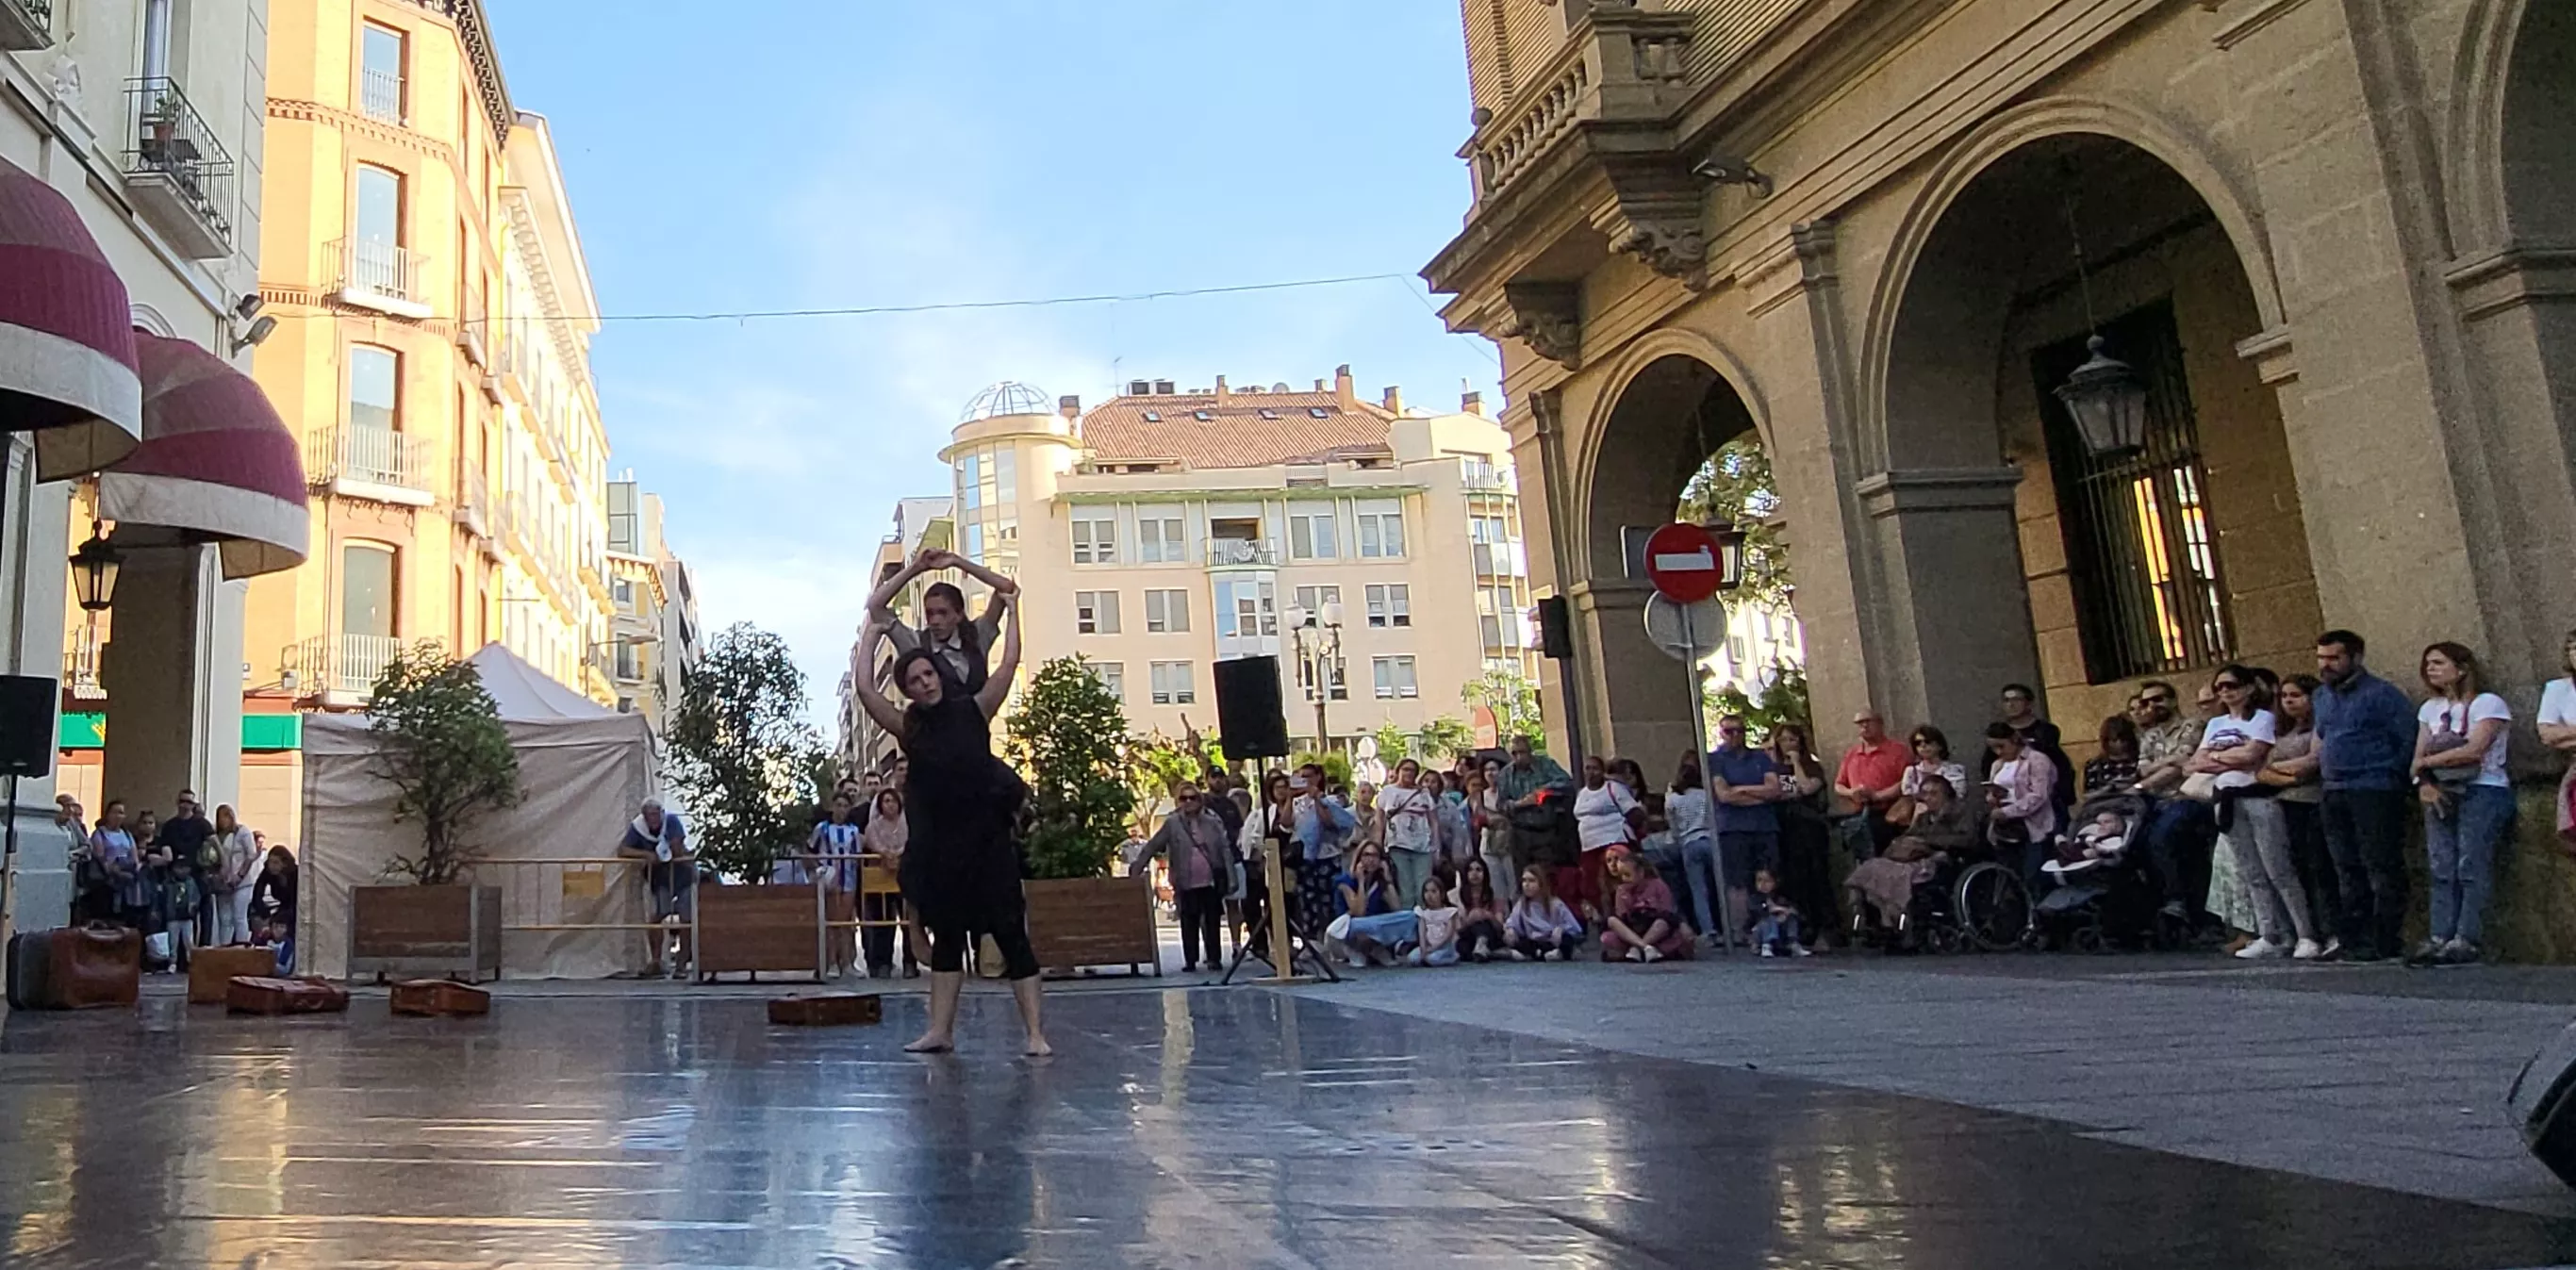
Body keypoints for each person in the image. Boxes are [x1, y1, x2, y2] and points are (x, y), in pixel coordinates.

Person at [852, 586, 1049, 1057]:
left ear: (938, 673)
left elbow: (1007, 665)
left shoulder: (974, 709)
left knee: (1009, 934)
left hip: (987, 842)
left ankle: (1035, 1034)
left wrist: (1015, 610)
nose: (924, 683)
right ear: (908, 691)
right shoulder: (910, 726)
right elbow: (864, 689)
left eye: (927, 674)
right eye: (914, 681)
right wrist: (870, 637)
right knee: (948, 941)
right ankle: (940, 1030)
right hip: (942, 846)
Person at [2312, 630, 2419, 962]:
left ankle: (2385, 938)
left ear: (2355, 658)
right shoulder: (2323, 697)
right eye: (2321, 658)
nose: (2326, 665)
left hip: (2374, 788)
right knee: (2346, 867)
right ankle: (2352, 937)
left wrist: (2390, 773)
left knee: (2380, 865)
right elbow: (2323, 737)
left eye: (2334, 658)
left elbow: (2407, 739)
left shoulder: (2383, 695)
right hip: (2334, 790)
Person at [2407, 641, 2515, 966]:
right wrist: (2424, 782)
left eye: (2439, 663)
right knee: (2442, 865)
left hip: (2483, 788)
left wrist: (2429, 761)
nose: (2431, 669)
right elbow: (2416, 758)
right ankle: (2441, 934)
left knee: (2471, 864)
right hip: (2439, 790)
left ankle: (2467, 938)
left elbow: (2474, 750)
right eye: (2428, 664)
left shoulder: (2487, 704)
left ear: (2462, 667)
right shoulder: (2430, 709)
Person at [2188, 666, 2287, 956]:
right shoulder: (2215, 724)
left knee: (2278, 870)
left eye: (2231, 685)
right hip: (2225, 797)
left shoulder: (2263, 718)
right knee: (2249, 870)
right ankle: (2268, 934)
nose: (2225, 692)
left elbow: (2253, 755)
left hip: (2256, 795)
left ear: (2248, 688)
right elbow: (2196, 762)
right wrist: (2228, 758)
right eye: (2219, 687)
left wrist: (2217, 758)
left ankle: (2296, 933)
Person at [2249, 673, 2332, 959]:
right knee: (2292, 869)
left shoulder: (2319, 728)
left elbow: (2311, 764)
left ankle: (2329, 931)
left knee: (2319, 868)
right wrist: (2285, 775)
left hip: (2311, 803)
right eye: (2284, 696)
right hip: (2283, 804)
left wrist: (2282, 771)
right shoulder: (2282, 732)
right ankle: (2302, 931)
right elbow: (2261, 770)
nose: (2289, 702)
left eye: (2296, 695)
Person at [866, 547, 1016, 694]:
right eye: (930, 613)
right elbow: (875, 606)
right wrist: (916, 568)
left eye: (943, 613)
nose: (935, 621)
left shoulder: (977, 635)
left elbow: (1006, 587)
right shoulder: (916, 644)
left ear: (959, 615)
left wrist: (957, 561)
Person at [1847, 775, 1977, 937]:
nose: (1928, 798)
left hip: (1944, 858)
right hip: (1914, 858)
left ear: (1947, 795)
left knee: (1899, 874)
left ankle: (1898, 923)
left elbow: (1967, 839)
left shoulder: (1961, 812)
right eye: (1925, 794)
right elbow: (1909, 836)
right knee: (1871, 868)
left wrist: (1927, 842)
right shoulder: (1923, 818)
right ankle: (1879, 919)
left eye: (1934, 794)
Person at [1146, 782, 1238, 972]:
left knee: (1212, 920)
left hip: (1210, 879)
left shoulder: (1213, 822)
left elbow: (1225, 849)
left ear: (1200, 800)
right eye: (1184, 798)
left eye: (1193, 798)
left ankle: (1214, 958)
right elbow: (1154, 844)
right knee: (1189, 921)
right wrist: (1138, 865)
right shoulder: (1172, 823)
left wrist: (1232, 877)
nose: (1188, 802)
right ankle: (1190, 960)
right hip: (1185, 880)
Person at [1708, 714, 1782, 943]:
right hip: (1732, 828)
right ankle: (1739, 930)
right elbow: (1724, 795)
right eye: (1729, 731)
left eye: (1740, 730)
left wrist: (1741, 790)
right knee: (1737, 880)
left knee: (1769, 877)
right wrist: (1758, 794)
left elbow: (1774, 789)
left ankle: (1770, 926)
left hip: (1764, 826)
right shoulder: (1714, 759)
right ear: (1721, 733)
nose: (1735, 736)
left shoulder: (1760, 756)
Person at [1768, 722, 1838, 946]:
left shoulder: (1811, 765)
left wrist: (1797, 762)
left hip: (1808, 827)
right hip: (1784, 828)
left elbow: (1807, 787)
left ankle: (1826, 926)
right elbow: (1771, 793)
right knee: (1792, 879)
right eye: (1783, 740)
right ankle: (1799, 926)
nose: (1788, 744)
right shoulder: (1772, 768)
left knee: (1816, 877)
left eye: (1792, 739)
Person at [616, 800, 696, 979]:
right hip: (660, 880)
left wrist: (676, 848)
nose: (653, 818)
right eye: (649, 815)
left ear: (661, 812)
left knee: (686, 920)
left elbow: (678, 848)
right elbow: (622, 850)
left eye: (656, 814)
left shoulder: (672, 821)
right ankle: (657, 961)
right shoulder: (638, 827)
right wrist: (646, 854)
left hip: (683, 877)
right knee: (657, 917)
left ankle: (681, 965)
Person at [1568, 753, 1642, 922]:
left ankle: (1624, 917)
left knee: (1613, 884)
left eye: (1595, 768)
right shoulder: (1582, 794)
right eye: (1588, 768)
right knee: (1590, 887)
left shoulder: (1613, 788)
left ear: (1602, 771)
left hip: (1612, 842)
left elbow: (1633, 812)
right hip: (1589, 847)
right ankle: (1606, 919)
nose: (1591, 773)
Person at [1494, 734, 1577, 880]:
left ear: (1530, 752)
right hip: (1520, 833)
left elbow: (1567, 783)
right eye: (1514, 753)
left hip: (1545, 831)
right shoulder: (1505, 775)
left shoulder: (1545, 765)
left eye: (1522, 752)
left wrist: (1543, 791)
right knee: (1523, 879)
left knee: (1546, 877)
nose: (1519, 757)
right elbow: (1501, 805)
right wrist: (1519, 804)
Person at [1982, 723, 2057, 881]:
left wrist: (2009, 812)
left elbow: (2038, 795)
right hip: (2003, 821)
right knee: (2008, 872)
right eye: (1994, 748)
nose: (1999, 752)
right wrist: (1992, 797)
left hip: (2031, 823)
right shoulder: (1997, 764)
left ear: (2014, 739)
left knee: (2032, 872)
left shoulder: (2037, 760)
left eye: (2002, 746)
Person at [1293, 765, 1358, 941]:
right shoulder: (1296, 803)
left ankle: (1333, 937)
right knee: (1308, 899)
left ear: (1318, 777)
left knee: (1329, 898)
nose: (1305, 780)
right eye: (1301, 777)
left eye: (1309, 776)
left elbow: (1330, 823)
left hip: (1328, 855)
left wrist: (1317, 800)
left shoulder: (1331, 800)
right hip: (1305, 856)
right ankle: (1312, 938)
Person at [1985, 684, 2074, 812]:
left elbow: (2058, 762)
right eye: (2006, 700)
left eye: (2016, 700)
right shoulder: (1997, 734)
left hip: (2045, 795)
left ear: (2028, 703)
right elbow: (1988, 765)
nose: (2011, 705)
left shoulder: (2045, 731)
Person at [1833, 710, 1912, 853]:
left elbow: (1907, 780)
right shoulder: (1852, 754)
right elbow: (1838, 785)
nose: (1864, 727)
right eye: (1860, 724)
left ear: (1880, 724)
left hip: (1891, 814)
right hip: (1860, 816)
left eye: (1868, 722)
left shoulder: (1898, 750)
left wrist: (1878, 795)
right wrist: (1851, 793)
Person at [861, 788, 919, 978]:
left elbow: (910, 841)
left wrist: (898, 853)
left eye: (893, 801)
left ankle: (910, 963)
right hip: (880, 878)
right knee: (883, 922)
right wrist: (885, 853)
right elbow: (872, 841)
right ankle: (883, 963)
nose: (890, 805)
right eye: (886, 801)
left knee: (908, 921)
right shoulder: (873, 826)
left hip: (905, 877)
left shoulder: (907, 823)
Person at [1598, 846, 1692, 962]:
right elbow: (1622, 917)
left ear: (1641, 873)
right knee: (1611, 925)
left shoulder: (1657, 885)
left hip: (1656, 929)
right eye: (1622, 876)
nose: (1624, 879)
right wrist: (1625, 899)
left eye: (1627, 875)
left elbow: (1668, 913)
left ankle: (1638, 948)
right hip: (1632, 931)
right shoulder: (1621, 890)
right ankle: (1645, 947)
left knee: (1664, 925)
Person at [1665, 759, 1722, 946]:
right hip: (1710, 839)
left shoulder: (1674, 799)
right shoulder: (1707, 795)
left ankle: (1708, 930)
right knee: (1720, 885)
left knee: (1699, 890)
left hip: (1689, 841)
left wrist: (1678, 840)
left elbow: (1673, 826)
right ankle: (1726, 926)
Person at [1330, 843, 1414, 967]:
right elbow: (1359, 912)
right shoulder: (1344, 881)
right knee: (1360, 924)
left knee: (1410, 916)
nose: (1371, 860)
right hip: (1350, 927)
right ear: (1359, 858)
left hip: (1374, 926)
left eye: (1375, 856)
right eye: (1366, 855)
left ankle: (1375, 949)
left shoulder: (1379, 881)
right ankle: (1355, 951)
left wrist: (1387, 879)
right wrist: (1361, 881)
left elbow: (1397, 908)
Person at [1374, 759, 1440, 910]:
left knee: (1423, 889)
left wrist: (1436, 845)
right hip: (1398, 845)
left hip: (1422, 846)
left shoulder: (1423, 793)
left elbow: (1433, 820)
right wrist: (1378, 843)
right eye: (1405, 769)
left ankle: (1425, 923)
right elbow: (1380, 819)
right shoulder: (1388, 792)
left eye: (1412, 770)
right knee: (1405, 890)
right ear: (1398, 771)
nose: (1408, 773)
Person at [2541, 630, 2576, 856]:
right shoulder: (2557, 689)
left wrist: (2568, 734)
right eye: (2573, 648)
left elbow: (2559, 735)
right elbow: (2548, 734)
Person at [206, 805, 260, 947]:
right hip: (223, 882)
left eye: (225, 816)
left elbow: (251, 855)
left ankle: (242, 946)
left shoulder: (243, 832)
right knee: (225, 919)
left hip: (242, 881)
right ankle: (225, 947)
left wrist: (240, 875)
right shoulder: (216, 836)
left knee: (239, 917)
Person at [1506, 866, 1584, 961]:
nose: (1526, 885)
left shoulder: (1555, 904)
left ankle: (1553, 953)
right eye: (1524, 881)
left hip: (1553, 940)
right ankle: (1540, 954)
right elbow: (1512, 923)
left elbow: (1575, 928)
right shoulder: (1522, 905)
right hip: (1534, 940)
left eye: (1531, 881)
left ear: (1541, 883)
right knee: (1522, 943)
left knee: (1566, 940)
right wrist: (1510, 930)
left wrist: (1561, 929)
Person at [89, 800, 145, 931]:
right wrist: (114, 870)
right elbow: (100, 857)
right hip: (108, 879)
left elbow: (134, 856)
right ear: (107, 814)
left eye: (121, 813)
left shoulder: (126, 834)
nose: (118, 816)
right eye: (115, 812)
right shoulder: (100, 834)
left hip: (128, 878)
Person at [1900, 727, 1970, 823]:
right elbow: (1907, 797)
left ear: (1940, 745)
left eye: (1927, 741)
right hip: (1919, 821)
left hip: (1950, 820)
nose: (1923, 745)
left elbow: (1959, 795)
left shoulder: (1955, 770)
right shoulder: (1911, 771)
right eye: (1918, 743)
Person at [249, 845, 299, 973]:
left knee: (286, 927)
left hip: (297, 906)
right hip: (283, 906)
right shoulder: (267, 872)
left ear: (285, 863)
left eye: (276, 862)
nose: (272, 866)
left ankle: (287, 962)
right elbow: (257, 893)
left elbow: (296, 900)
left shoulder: (296, 874)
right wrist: (264, 914)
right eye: (270, 862)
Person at [1455, 856, 1511, 962]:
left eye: (1478, 870)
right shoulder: (1456, 896)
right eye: (1470, 870)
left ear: (1485, 874)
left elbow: (1500, 926)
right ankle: (1492, 953)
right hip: (1468, 934)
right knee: (1462, 948)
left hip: (1490, 934)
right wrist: (1470, 920)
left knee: (1482, 924)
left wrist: (1487, 915)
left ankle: (1482, 945)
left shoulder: (1494, 895)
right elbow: (1457, 929)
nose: (1474, 874)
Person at [1750, 867, 1808, 958]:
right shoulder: (1755, 898)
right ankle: (1767, 945)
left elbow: (1794, 911)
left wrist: (1785, 913)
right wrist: (1775, 910)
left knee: (1791, 919)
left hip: (1780, 931)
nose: (1763, 884)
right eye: (1759, 880)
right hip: (1761, 931)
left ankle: (1793, 942)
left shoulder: (1780, 898)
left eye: (1767, 881)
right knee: (1768, 920)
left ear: (1775, 883)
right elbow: (1759, 912)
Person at [1409, 873, 1463, 966]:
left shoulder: (1449, 912)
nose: (1429, 895)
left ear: (1441, 894)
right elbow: (1422, 933)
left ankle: (1452, 957)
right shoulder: (1422, 912)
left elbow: (1448, 935)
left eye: (1433, 891)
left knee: (1432, 959)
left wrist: (1435, 948)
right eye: (1426, 891)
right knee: (1412, 958)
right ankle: (1428, 957)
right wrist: (1423, 949)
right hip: (1428, 945)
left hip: (1445, 946)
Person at [2085, 717, 2141, 795]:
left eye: (2123, 740)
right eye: (2114, 740)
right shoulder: (2094, 765)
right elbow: (2090, 793)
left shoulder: (2139, 762)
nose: (2119, 743)